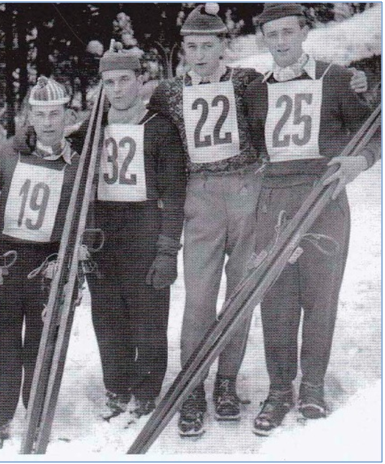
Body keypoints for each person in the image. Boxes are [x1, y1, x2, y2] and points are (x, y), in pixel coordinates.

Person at [148, 3, 368, 437]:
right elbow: (137, 122)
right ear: (182, 50)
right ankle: (193, 386)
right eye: (192, 46)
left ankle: (233, 384)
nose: (200, 54)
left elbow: (349, 116)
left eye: (208, 45)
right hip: (207, 194)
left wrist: (361, 84)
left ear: (224, 47)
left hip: (256, 192)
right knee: (201, 298)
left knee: (247, 292)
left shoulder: (248, 80)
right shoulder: (176, 92)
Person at [245, 3, 380, 436]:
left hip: (325, 195)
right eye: (272, 34)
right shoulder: (255, 90)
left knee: (319, 297)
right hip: (274, 199)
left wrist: (360, 160)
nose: (281, 42)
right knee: (276, 298)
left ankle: (314, 387)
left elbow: (374, 131)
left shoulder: (336, 78)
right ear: (263, 39)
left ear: (304, 32)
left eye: (289, 32)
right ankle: (279, 389)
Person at [0, 77, 81, 451]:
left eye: (55, 114)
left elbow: (83, 212)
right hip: (8, 255)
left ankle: (36, 410)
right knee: (3, 340)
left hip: (49, 259)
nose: (48, 122)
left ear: (67, 115)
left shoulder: (76, 161)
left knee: (41, 342)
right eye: (39, 114)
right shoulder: (7, 152)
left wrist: (68, 259)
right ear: (29, 116)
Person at [87, 45, 186, 419]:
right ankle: (116, 385)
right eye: (109, 82)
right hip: (104, 236)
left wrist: (166, 250)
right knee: (108, 317)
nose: (117, 89)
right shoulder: (93, 128)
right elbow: (58, 153)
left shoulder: (159, 127)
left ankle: (146, 390)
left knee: (148, 316)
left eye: (124, 80)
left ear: (140, 80)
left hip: (144, 231)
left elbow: (174, 195)